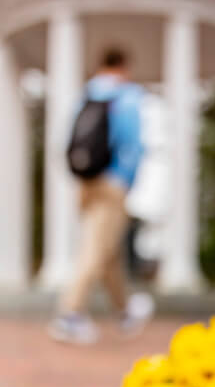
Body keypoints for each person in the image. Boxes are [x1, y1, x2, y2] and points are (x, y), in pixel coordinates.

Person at [50, 48, 153, 344]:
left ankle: (125, 312)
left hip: (84, 183)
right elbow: (132, 143)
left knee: (109, 248)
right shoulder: (127, 96)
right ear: (123, 67)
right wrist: (127, 180)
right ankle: (70, 313)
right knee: (96, 247)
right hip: (112, 182)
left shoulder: (87, 95)